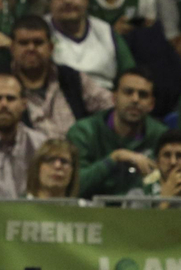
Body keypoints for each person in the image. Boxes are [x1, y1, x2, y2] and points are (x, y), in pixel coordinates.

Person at [65, 67, 166, 197]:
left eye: (143, 95)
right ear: (114, 97)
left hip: (140, 213)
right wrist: (113, 159)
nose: (135, 99)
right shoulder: (83, 132)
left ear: (152, 104)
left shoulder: (161, 137)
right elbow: (72, 186)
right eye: (128, 92)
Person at [9, 13, 103, 139]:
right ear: (12, 48)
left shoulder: (72, 78)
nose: (31, 48)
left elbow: (110, 107)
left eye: (38, 43)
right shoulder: (1, 84)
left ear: (51, 47)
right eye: (24, 43)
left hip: (76, 154)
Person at [47, 0, 132, 91]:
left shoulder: (106, 31)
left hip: (106, 101)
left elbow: (130, 76)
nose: (67, 0)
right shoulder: (40, 30)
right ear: (50, 2)